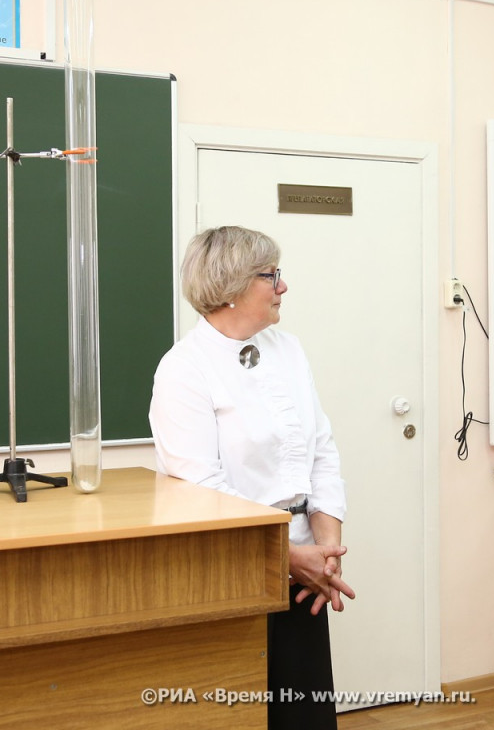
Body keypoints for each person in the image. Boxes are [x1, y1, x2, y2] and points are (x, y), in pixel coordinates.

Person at [149, 225, 354, 730]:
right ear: (232, 286)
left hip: (305, 567)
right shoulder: (183, 369)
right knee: (241, 714)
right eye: (271, 275)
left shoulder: (288, 350)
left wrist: (326, 550)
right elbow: (201, 489)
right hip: (234, 566)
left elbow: (321, 451)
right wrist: (288, 558)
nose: (283, 286)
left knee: (304, 714)